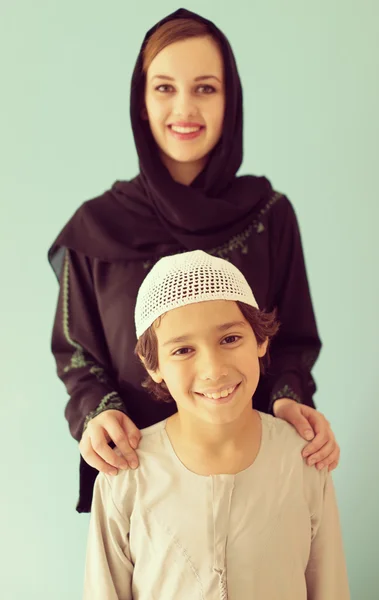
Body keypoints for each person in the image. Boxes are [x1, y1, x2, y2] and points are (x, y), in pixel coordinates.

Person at [48, 8, 340, 513]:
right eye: (164, 88)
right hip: (142, 481)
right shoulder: (96, 228)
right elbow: (78, 358)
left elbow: (291, 340)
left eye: (205, 88)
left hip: (256, 477)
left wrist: (289, 399)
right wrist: (98, 416)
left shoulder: (269, 216)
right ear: (141, 101)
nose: (184, 107)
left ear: (232, 101)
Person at [83, 250, 350, 599]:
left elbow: (330, 588)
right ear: (154, 366)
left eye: (229, 339)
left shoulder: (304, 460)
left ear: (260, 339)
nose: (214, 369)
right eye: (182, 350)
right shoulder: (125, 476)